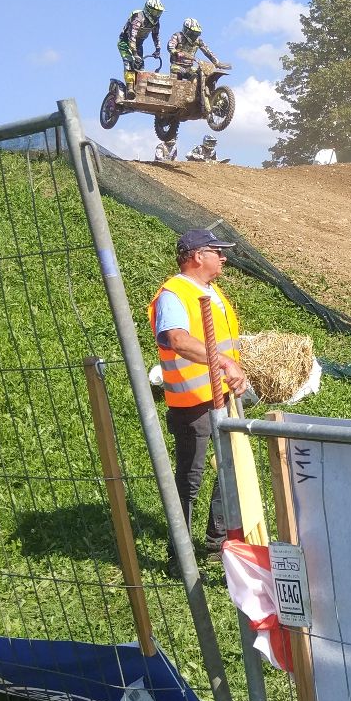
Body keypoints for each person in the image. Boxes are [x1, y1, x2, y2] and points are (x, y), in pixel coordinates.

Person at [148, 228, 248, 565]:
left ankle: (218, 543)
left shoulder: (212, 292)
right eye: (217, 251)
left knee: (230, 469)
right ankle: (179, 555)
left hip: (224, 397)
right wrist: (224, 363)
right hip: (193, 403)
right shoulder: (174, 294)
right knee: (190, 479)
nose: (223, 258)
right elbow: (177, 340)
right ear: (197, 256)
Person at [117, 0, 165, 96]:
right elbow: (132, 36)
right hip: (125, 42)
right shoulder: (138, 17)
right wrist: (134, 53)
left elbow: (156, 35)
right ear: (148, 10)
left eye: (158, 13)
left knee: (140, 67)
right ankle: (130, 88)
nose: (156, 15)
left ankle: (139, 90)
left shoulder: (156, 22)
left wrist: (158, 49)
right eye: (154, 12)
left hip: (138, 44)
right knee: (129, 62)